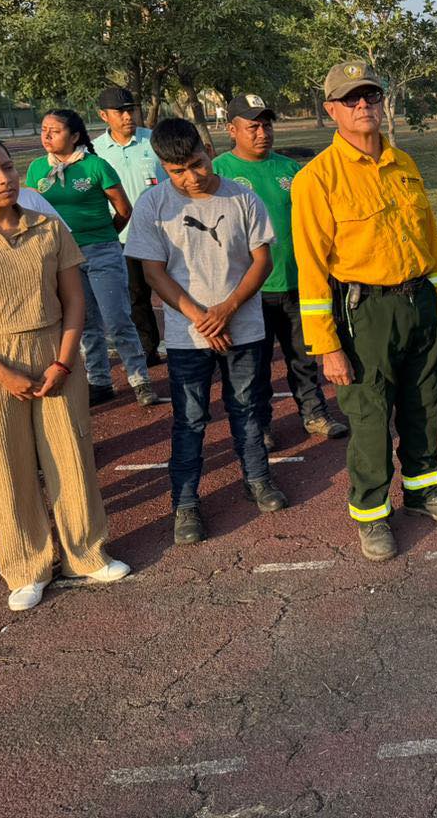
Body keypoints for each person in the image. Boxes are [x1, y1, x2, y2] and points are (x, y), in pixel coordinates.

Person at [291, 60, 437, 562]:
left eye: (370, 95)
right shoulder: (316, 179)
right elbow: (311, 269)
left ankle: (423, 492)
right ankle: (371, 513)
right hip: (364, 311)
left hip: (418, 302)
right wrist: (326, 345)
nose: (363, 105)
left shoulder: (403, 163)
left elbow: (429, 242)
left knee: (423, 402)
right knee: (369, 416)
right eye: (351, 99)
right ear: (331, 110)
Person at [0, 132, 129, 611]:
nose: (4, 178)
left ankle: (86, 553)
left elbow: (74, 300)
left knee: (71, 455)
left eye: (7, 166)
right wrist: (3, 374)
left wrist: (64, 360)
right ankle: (26, 568)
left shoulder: (48, 227)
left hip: (55, 354)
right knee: (4, 466)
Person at [125, 118, 288, 545]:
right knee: (191, 419)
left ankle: (258, 479)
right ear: (163, 166)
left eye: (197, 164)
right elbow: (154, 272)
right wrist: (201, 317)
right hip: (187, 335)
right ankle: (185, 502)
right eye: (177, 171)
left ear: (208, 149)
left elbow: (262, 262)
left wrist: (227, 309)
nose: (191, 177)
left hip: (242, 327)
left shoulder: (242, 197)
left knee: (247, 408)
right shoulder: (153, 205)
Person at [213, 93, 348, 449]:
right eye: (253, 127)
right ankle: (261, 424)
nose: (263, 133)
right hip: (250, 290)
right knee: (255, 366)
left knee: (303, 358)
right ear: (232, 130)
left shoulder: (291, 170)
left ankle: (314, 413)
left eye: (267, 125)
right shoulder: (218, 172)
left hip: (296, 282)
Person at [26, 109, 159, 407]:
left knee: (117, 318)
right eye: (44, 129)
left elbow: (124, 210)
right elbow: (34, 211)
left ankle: (140, 380)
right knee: (85, 322)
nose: (47, 136)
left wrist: (103, 236)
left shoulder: (96, 165)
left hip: (101, 251)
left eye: (55, 131)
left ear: (74, 136)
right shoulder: (37, 169)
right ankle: (99, 381)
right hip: (64, 258)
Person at [93, 86, 168, 366]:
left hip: (163, 234)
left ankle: (199, 343)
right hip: (123, 236)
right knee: (137, 297)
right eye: (120, 111)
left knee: (178, 288)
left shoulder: (154, 141)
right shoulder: (95, 150)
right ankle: (148, 350)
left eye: (130, 109)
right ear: (104, 115)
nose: (128, 116)